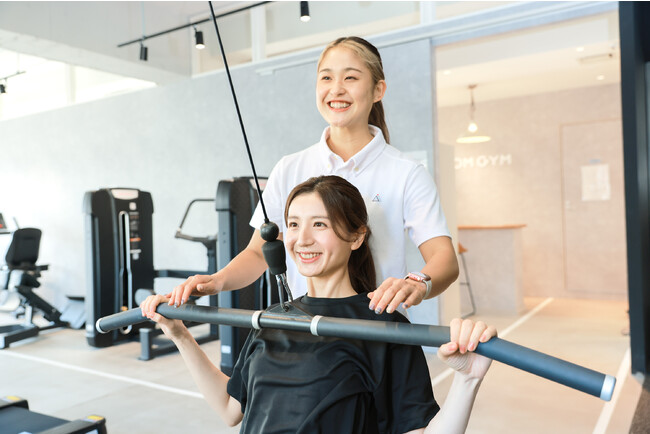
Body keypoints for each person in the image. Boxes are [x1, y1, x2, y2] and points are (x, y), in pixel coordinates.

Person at [141, 176, 496, 433]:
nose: (302, 239)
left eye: (320, 224)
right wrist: (180, 335)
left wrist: (467, 381)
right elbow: (230, 409)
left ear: (356, 236)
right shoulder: (275, 319)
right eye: (293, 225)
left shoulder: (385, 329)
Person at [168, 36, 458, 315]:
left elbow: (444, 260)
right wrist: (217, 281)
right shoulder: (289, 168)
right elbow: (258, 254)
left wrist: (417, 283)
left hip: (378, 332)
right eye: (326, 77)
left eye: (351, 78)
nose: (336, 89)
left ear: (378, 90)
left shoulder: (406, 173)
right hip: (309, 331)